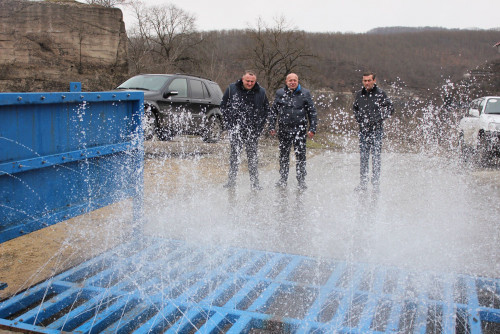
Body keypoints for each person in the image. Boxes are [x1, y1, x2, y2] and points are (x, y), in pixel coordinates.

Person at [221, 70, 270, 190]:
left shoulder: (261, 91)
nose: (249, 83)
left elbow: (266, 110)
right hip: (236, 130)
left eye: (252, 81)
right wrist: (229, 124)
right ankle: (231, 182)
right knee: (234, 157)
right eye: (247, 81)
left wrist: (259, 127)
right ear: (242, 79)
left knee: (252, 158)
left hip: (252, 131)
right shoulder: (232, 88)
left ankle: (255, 183)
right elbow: (223, 106)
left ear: (255, 81)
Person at [269, 73, 317, 190]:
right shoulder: (280, 93)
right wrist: (271, 126)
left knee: (300, 156)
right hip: (284, 130)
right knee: (283, 156)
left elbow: (312, 112)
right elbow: (274, 111)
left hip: (299, 130)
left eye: (294, 80)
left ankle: (301, 180)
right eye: (290, 80)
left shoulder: (305, 93)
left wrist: (312, 128)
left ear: (298, 81)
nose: (292, 82)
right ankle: (283, 179)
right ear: (286, 82)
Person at [352, 71, 394, 192]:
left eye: (369, 80)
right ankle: (363, 183)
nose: (367, 83)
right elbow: (355, 108)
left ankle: (375, 184)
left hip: (376, 131)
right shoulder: (359, 94)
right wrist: (358, 118)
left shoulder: (381, 94)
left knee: (376, 158)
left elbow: (390, 109)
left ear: (374, 81)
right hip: (363, 130)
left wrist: (379, 118)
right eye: (365, 81)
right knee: (364, 157)